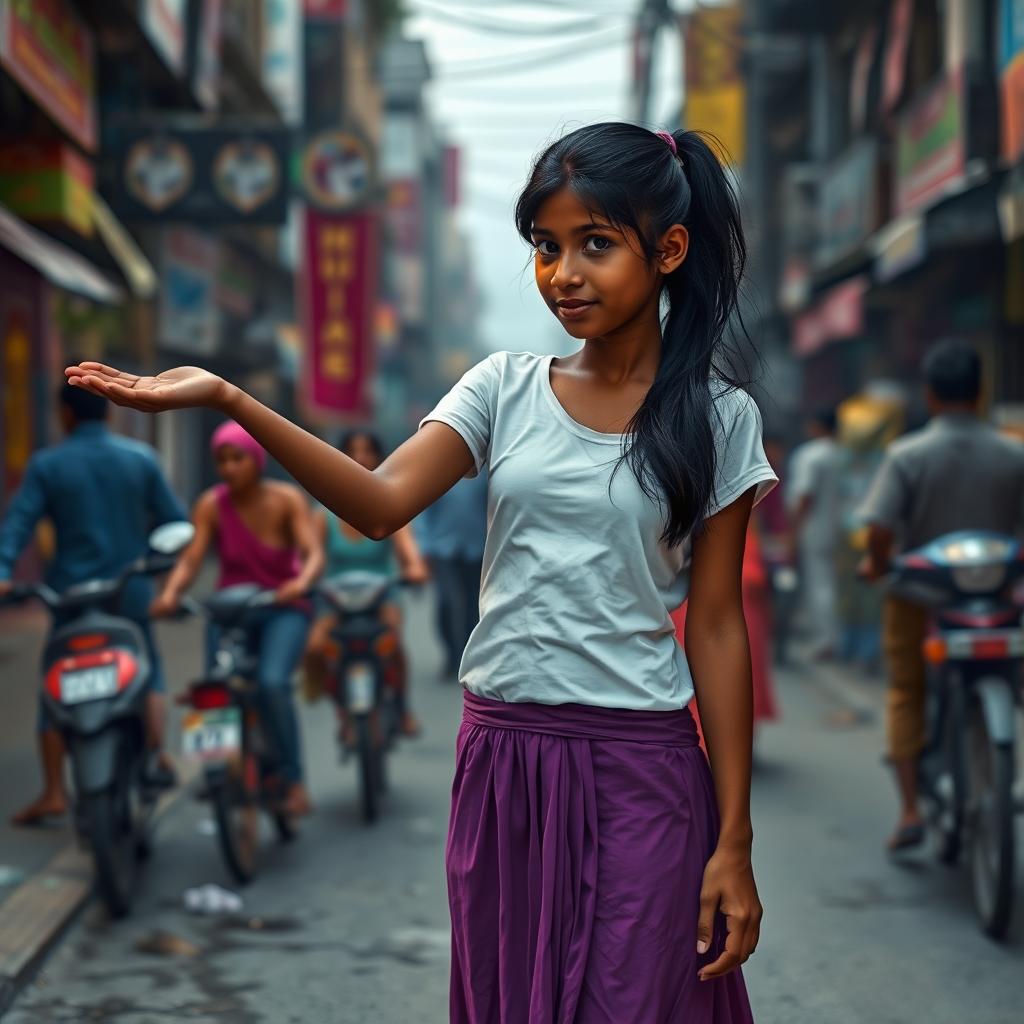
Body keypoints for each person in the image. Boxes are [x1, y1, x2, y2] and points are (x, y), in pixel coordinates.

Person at [67, 123, 775, 1023]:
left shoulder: (720, 418)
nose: (564, 273)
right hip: (504, 758)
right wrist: (230, 398)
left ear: (668, 249)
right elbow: (375, 503)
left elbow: (715, 626)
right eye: (547, 248)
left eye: (596, 244)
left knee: (635, 1003)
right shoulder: (500, 388)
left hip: (644, 765)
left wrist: (735, 839)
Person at [860, 339, 1024, 852]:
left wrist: (879, 565)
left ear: (930, 394)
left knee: (908, 690)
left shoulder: (908, 455)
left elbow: (879, 529)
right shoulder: (1014, 453)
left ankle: (910, 809)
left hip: (920, 595)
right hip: (998, 598)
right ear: (980, 393)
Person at [0, 384, 186, 825]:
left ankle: (52, 792)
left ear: (65, 414)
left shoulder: (48, 465)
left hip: (69, 598)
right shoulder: (140, 459)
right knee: (148, 668)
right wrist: (163, 570)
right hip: (129, 593)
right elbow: (175, 523)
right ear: (110, 411)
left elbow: (19, 522)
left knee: (54, 683)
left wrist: (4, 570)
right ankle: (157, 757)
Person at [150, 422, 323, 818]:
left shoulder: (287, 499)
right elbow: (192, 558)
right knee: (211, 686)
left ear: (257, 460)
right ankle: (215, 775)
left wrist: (301, 582)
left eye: (237, 458)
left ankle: (294, 781)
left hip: (281, 606)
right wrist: (171, 594)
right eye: (221, 460)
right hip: (229, 612)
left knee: (273, 683)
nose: (229, 468)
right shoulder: (211, 504)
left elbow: (311, 552)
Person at [303, 429, 429, 737]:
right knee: (316, 647)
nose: (359, 458)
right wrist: (303, 580)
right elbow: (313, 556)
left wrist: (414, 568)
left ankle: (402, 707)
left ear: (379, 457)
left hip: (381, 596)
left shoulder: (391, 505)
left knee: (394, 644)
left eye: (367, 450)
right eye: (351, 450)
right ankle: (341, 709)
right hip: (335, 599)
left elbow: (407, 548)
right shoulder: (323, 515)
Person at [415, 469, 488, 681]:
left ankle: (468, 656)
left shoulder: (484, 471)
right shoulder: (439, 471)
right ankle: (451, 654)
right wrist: (424, 546)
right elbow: (423, 510)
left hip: (478, 549)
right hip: (443, 549)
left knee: (474, 608)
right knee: (447, 602)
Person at [787, 407, 842, 659]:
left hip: (814, 528)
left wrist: (793, 530)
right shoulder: (843, 454)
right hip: (841, 528)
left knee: (819, 585)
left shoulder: (810, 455)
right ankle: (835, 638)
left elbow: (804, 495)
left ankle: (825, 642)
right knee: (833, 584)